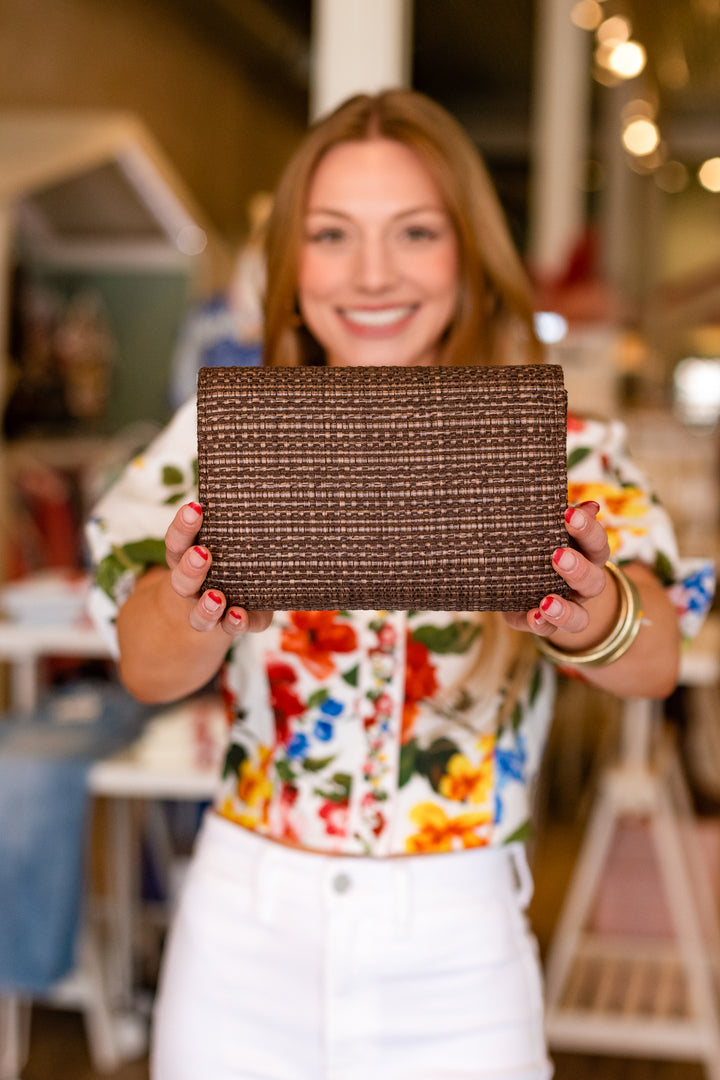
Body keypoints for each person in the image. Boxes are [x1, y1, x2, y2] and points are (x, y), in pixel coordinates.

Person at [86, 89, 700, 1080]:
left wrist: (597, 618)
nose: (373, 272)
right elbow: (147, 672)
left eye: (416, 231)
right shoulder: (213, 448)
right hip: (244, 934)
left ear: (470, 253)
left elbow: (660, 659)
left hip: (461, 953)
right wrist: (194, 604)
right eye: (333, 236)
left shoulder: (559, 453)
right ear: (291, 267)